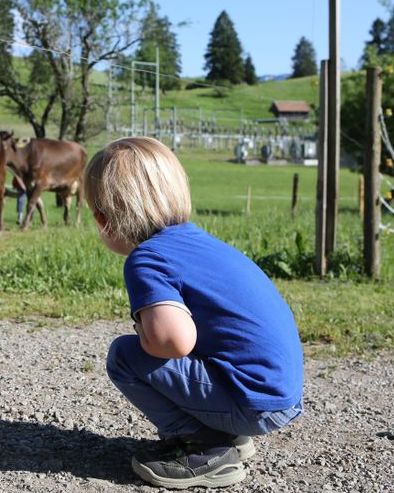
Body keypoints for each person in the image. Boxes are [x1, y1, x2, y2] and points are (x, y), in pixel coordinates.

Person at [83, 137, 304, 489]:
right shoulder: (199, 242)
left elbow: (172, 341)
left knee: (125, 356)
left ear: (102, 218)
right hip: (280, 394)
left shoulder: (148, 258)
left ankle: (206, 448)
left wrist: (143, 330)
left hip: (255, 402)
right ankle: (227, 433)